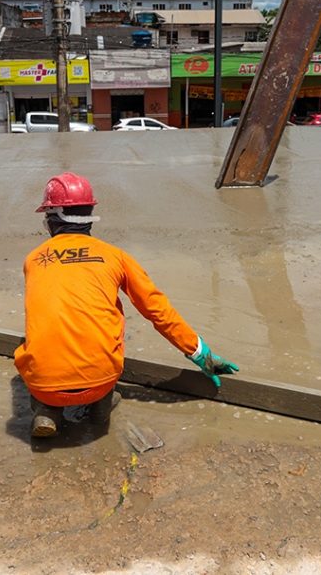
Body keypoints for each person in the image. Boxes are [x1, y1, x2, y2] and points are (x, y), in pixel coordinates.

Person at [14, 172, 239, 438]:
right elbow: (157, 310)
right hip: (101, 378)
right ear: (89, 216)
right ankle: (100, 405)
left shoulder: (34, 260)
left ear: (51, 219)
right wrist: (201, 354)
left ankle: (47, 411)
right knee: (106, 324)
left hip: (44, 384)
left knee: (35, 340)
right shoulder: (115, 257)